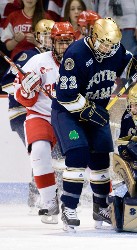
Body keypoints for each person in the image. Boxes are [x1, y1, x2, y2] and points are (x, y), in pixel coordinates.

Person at [51, 17, 137, 231]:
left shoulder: (115, 50)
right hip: (69, 113)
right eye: (104, 44)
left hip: (97, 112)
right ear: (93, 37)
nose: (108, 49)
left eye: (112, 45)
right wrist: (88, 110)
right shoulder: (76, 54)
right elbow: (65, 95)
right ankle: (69, 207)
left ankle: (100, 207)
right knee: (78, 154)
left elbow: (130, 68)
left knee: (101, 159)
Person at [13, 21, 76, 224]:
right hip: (41, 116)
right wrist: (26, 90)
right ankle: (49, 201)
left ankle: (100, 202)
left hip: (70, 118)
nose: (64, 47)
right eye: (60, 42)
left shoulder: (82, 61)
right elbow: (20, 96)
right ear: (53, 43)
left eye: (68, 42)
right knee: (39, 152)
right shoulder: (37, 61)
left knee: (88, 156)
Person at [1, 19, 55, 213]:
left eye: (52, 35)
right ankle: (39, 197)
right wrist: (25, 85)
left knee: (49, 152)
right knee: (42, 150)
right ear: (37, 38)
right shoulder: (28, 56)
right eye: (45, 35)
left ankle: (45, 194)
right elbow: (6, 84)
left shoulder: (55, 59)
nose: (49, 39)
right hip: (22, 113)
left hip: (44, 113)